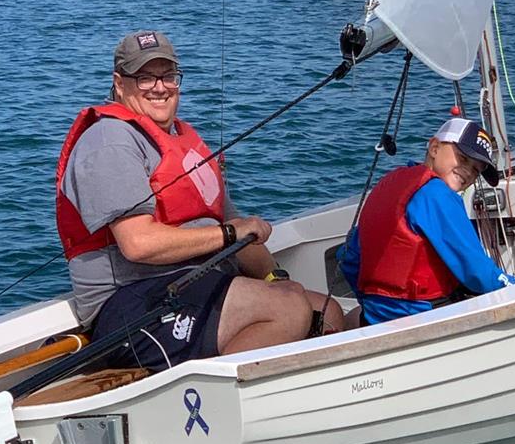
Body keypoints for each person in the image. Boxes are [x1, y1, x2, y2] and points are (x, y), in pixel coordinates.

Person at [57, 29, 343, 371]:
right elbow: (138, 244)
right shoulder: (110, 141)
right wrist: (228, 235)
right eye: (145, 77)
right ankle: (208, 406)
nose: (160, 87)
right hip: (131, 305)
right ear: (120, 84)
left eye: (168, 76)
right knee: (287, 310)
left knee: (324, 311)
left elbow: (237, 228)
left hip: (194, 282)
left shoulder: (181, 139)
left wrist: (276, 279)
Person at [337, 118, 515, 326]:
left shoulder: (391, 183)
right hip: (424, 317)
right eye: (463, 158)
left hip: (375, 317)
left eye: (477, 170)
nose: (468, 171)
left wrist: (374, 304)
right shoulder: (437, 194)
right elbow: (476, 270)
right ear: (434, 147)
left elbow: (348, 257)